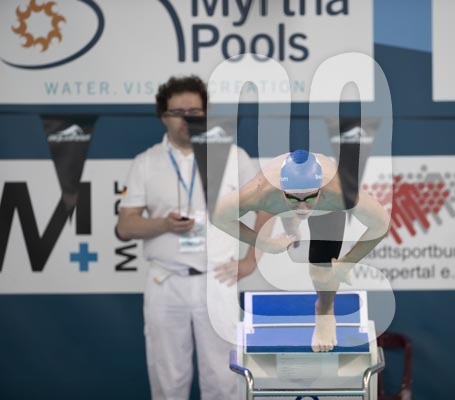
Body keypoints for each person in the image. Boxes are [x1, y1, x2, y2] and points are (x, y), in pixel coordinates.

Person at [116, 75, 270, 399]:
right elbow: (126, 226)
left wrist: (251, 260)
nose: (187, 119)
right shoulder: (146, 163)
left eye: (195, 112)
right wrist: (163, 225)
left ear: (206, 113)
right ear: (164, 116)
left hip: (218, 279)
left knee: (224, 380)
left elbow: (267, 207)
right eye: (178, 112)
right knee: (168, 381)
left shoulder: (233, 156)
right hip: (165, 281)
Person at [213, 149, 390, 352]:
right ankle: (291, 225)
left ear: (320, 190)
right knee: (288, 217)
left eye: (309, 197)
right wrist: (262, 243)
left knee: (322, 272)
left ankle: (325, 311)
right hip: (277, 200)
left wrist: (347, 262)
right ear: (282, 190)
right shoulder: (260, 191)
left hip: (324, 208)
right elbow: (218, 217)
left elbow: (382, 225)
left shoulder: (339, 192)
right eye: (294, 198)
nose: (303, 206)